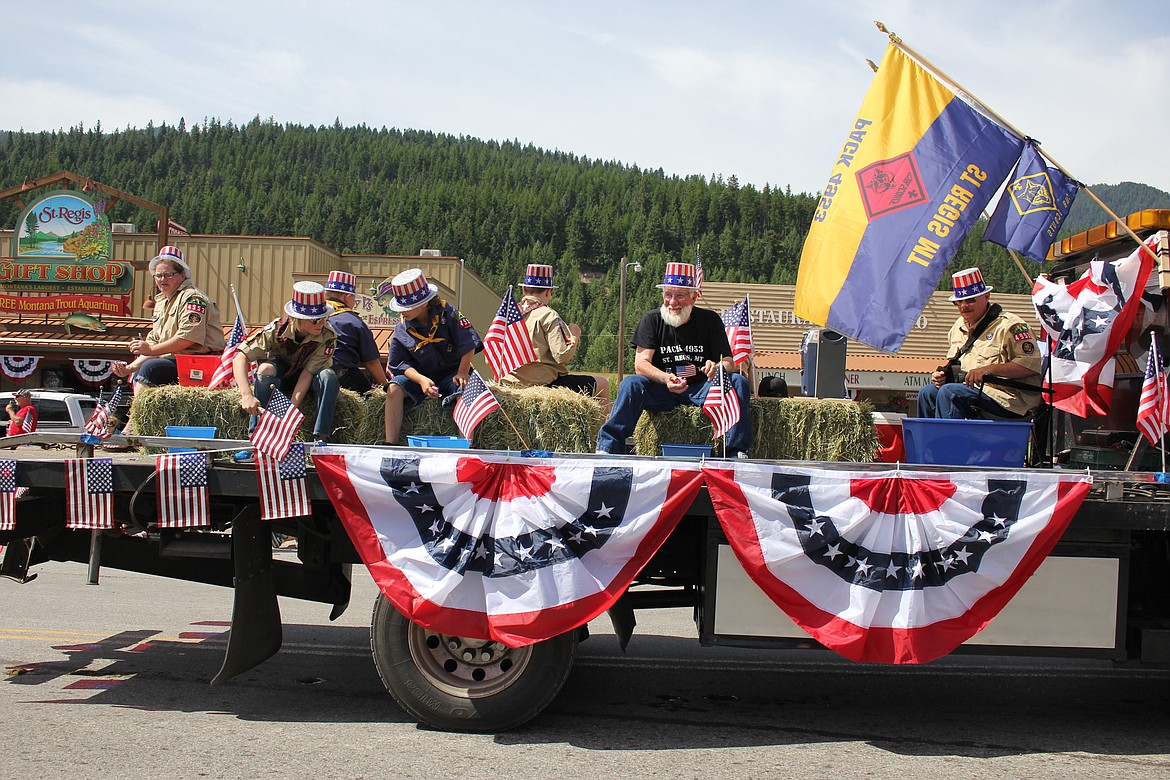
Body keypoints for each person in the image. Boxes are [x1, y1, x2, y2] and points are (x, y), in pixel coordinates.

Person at [595, 261, 752, 457]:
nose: (672, 302)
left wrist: (717, 367)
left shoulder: (710, 320)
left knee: (738, 382)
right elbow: (641, 364)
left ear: (694, 297)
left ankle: (736, 451)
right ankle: (608, 447)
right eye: (668, 295)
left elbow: (729, 362)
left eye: (680, 296)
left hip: (701, 387)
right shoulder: (651, 319)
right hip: (662, 388)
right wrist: (665, 378)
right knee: (632, 384)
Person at [232, 281, 340, 460]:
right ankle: (255, 440)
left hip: (311, 377)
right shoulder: (276, 329)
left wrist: (289, 412)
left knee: (329, 376)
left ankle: (321, 439)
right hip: (283, 372)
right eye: (315, 318)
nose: (321, 322)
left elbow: (307, 374)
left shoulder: (328, 335)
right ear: (298, 318)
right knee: (265, 368)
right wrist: (246, 395)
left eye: (324, 317)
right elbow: (239, 357)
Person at [917, 267, 1042, 419]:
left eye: (970, 300)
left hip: (1008, 398)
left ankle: (948, 442)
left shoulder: (1010, 326)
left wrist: (989, 369)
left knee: (950, 392)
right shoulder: (958, 326)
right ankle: (929, 442)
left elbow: (1031, 365)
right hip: (972, 391)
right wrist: (944, 375)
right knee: (928, 392)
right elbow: (958, 364)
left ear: (986, 296)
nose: (964, 306)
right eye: (959, 301)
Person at [382, 269, 483, 445]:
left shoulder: (448, 313)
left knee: (465, 388)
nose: (402, 312)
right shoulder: (401, 328)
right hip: (421, 376)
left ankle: (466, 442)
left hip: (452, 373)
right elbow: (400, 364)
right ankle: (390, 443)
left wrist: (463, 372)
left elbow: (468, 342)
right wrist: (421, 380)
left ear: (423, 303)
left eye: (406, 307)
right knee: (393, 388)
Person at [112, 245, 225, 393]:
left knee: (150, 368)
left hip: (200, 362)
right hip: (179, 361)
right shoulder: (162, 302)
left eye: (168, 275)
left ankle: (139, 415)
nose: (162, 280)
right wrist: (131, 367)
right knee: (143, 370)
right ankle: (141, 414)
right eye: (158, 275)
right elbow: (156, 342)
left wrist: (151, 349)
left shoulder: (193, 298)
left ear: (183, 275)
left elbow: (188, 338)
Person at [498, 263, 609, 405]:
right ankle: (602, 428)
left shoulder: (508, 315)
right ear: (548, 292)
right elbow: (562, 357)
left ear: (524, 290)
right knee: (602, 385)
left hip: (509, 383)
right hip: (542, 384)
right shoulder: (549, 315)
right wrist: (574, 336)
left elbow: (491, 357)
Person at [323, 270, 390, 393]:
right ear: (347, 298)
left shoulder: (314, 316)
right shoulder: (354, 322)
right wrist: (385, 387)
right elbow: (371, 361)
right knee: (370, 398)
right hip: (342, 377)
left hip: (313, 374)